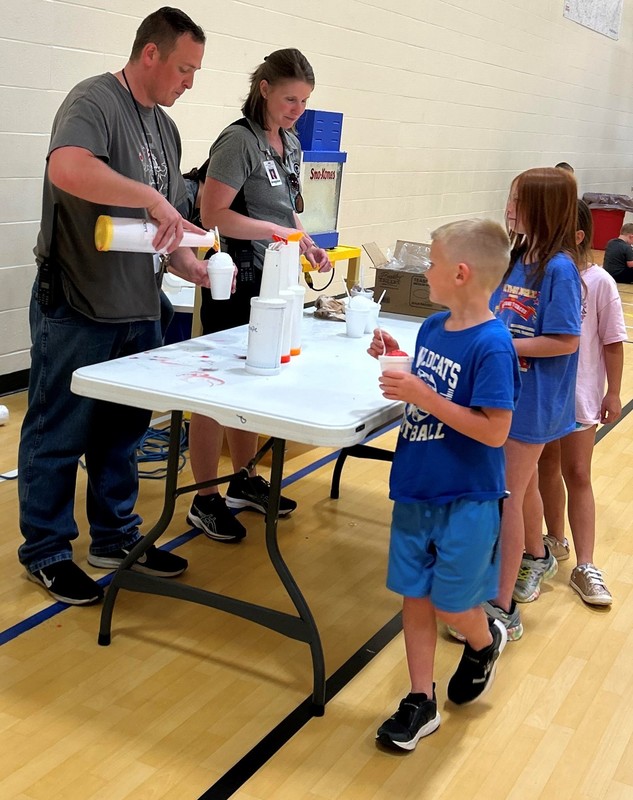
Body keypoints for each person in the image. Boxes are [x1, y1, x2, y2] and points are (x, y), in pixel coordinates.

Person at [18, 8, 209, 605]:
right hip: (77, 304)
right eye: (184, 67)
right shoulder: (94, 102)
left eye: (196, 70)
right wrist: (151, 196)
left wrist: (187, 262)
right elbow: (68, 168)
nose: (190, 82)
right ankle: (46, 550)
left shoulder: (167, 131)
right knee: (58, 430)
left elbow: (158, 230)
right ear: (149, 54)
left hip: (138, 309)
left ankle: (115, 536)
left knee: (122, 433)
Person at [370, 219, 521, 752]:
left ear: (459, 273)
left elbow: (495, 430)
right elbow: (435, 385)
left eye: (430, 262)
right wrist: (403, 363)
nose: (424, 271)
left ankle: (483, 642)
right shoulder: (434, 328)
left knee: (453, 604)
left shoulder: (494, 345)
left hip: (468, 499)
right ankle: (419, 699)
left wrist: (422, 394)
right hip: (416, 487)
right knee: (414, 596)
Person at [186, 49, 331, 543]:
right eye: (290, 98)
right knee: (216, 388)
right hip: (236, 279)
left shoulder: (289, 143)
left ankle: (243, 479)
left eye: (305, 101)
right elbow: (212, 214)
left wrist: (305, 241)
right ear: (264, 88)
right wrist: (271, 230)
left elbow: (286, 209)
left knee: (254, 381)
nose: (297, 109)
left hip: (275, 281)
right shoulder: (238, 140)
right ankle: (205, 498)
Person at [488, 167, 581, 638]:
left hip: (536, 401)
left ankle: (500, 607)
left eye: (517, 199)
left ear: (543, 208)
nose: (508, 206)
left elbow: (564, 340)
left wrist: (504, 345)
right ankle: (537, 556)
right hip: (505, 393)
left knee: (506, 493)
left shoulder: (560, 268)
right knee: (519, 490)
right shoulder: (517, 255)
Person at [537, 200, 626, 605]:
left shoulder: (601, 281)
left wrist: (612, 391)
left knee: (579, 473)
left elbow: (612, 342)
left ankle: (586, 564)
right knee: (546, 466)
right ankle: (554, 543)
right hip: (544, 395)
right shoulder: (542, 277)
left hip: (581, 397)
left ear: (577, 237)